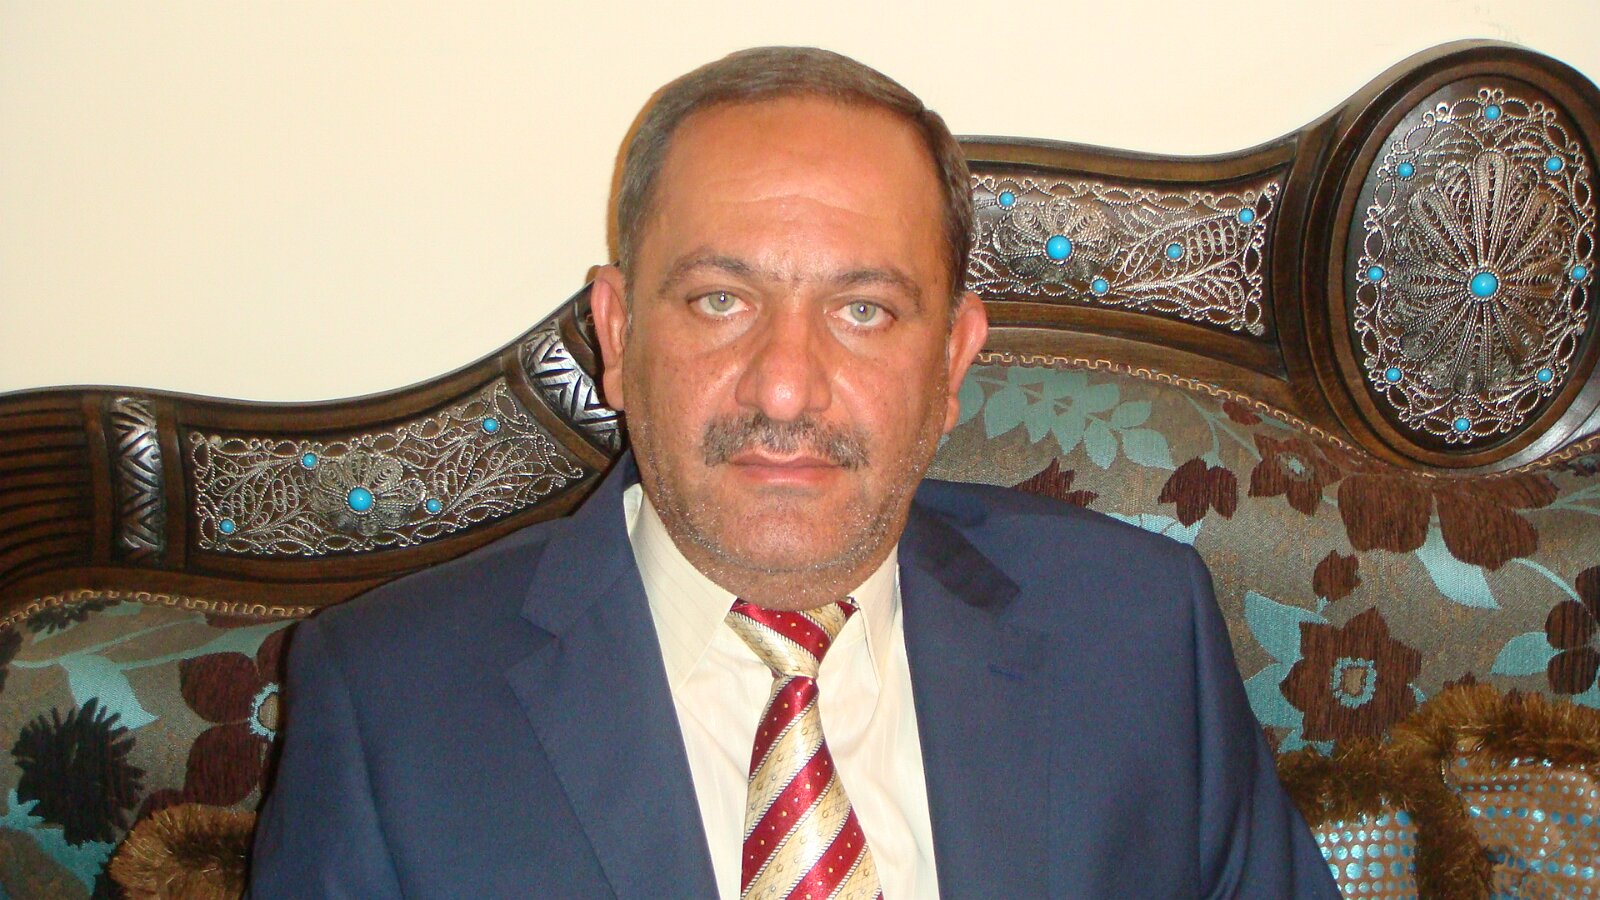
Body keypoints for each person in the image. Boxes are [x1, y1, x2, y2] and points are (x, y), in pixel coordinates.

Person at [251, 47, 1339, 898]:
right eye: (720, 300)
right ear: (618, 335)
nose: (783, 388)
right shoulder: (391, 703)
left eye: (863, 311)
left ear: (950, 362)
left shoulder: (1136, 634)